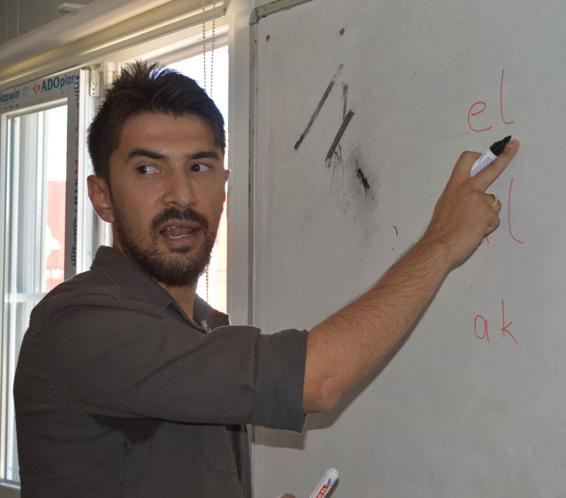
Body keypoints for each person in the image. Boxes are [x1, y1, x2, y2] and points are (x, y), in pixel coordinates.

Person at [13, 61, 519, 498]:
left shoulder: (207, 327)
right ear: (102, 197)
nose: (181, 195)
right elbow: (318, 380)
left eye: (200, 167)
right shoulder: (79, 325)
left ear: (224, 187)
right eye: (148, 169)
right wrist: (441, 243)